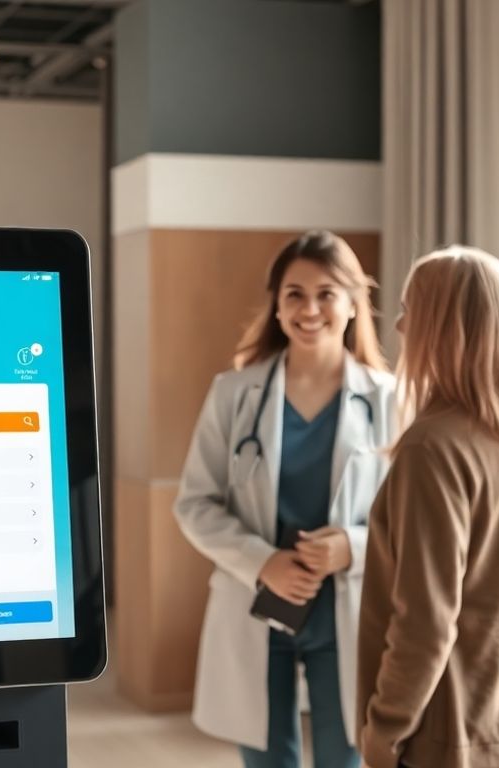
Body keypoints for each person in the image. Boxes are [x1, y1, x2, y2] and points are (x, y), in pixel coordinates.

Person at [175, 231, 397, 768]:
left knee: (343, 757)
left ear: (351, 303)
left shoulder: (389, 399)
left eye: (326, 293)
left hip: (344, 607)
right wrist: (263, 562)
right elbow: (195, 503)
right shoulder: (233, 393)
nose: (310, 308)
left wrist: (353, 546)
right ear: (276, 305)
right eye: (294, 293)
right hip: (258, 601)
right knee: (268, 760)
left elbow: (409, 522)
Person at [356, 246, 499, 768]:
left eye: (412, 309)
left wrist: (384, 731)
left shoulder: (432, 449)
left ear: (444, 326)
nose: (400, 326)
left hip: (444, 735)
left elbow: (426, 621)